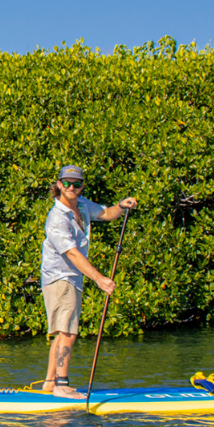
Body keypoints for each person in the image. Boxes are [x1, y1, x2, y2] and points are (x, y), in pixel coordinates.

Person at [40, 165, 136, 399]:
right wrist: (100, 279)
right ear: (59, 185)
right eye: (67, 183)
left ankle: (50, 383)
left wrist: (122, 206)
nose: (72, 187)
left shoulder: (83, 205)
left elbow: (105, 213)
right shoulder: (56, 217)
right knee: (68, 331)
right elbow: (72, 253)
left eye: (77, 183)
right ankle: (62, 385)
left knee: (63, 330)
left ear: (82, 185)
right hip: (60, 277)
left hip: (72, 277)